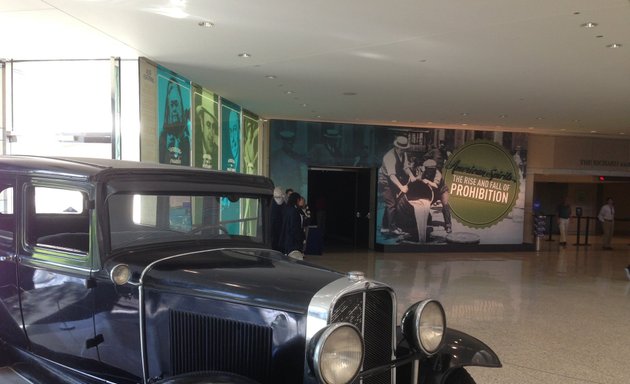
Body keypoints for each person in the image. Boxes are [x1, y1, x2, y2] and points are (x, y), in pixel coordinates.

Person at [378, 136, 416, 236]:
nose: (404, 151)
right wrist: (401, 187)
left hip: (392, 179)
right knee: (391, 204)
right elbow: (391, 175)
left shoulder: (403, 154)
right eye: (402, 149)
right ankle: (392, 228)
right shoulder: (389, 157)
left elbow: (405, 167)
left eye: (405, 149)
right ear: (397, 147)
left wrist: (411, 175)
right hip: (384, 180)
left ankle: (385, 226)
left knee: (391, 203)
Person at [159, 77, 191, 166]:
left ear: (181, 106)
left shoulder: (186, 138)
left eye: (176, 104)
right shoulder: (163, 137)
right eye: (171, 105)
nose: (174, 109)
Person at [417, 158, 452, 233]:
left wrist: (427, 181)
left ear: (433, 169)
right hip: (433, 192)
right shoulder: (424, 172)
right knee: (425, 204)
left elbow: (435, 185)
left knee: (445, 205)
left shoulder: (437, 173)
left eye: (429, 169)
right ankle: (428, 220)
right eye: (426, 168)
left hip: (442, 190)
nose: (427, 170)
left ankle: (448, 225)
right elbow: (419, 179)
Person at [279, 192, 306, 257]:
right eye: (299, 200)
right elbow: (295, 228)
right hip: (293, 242)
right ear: (297, 200)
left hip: (286, 240)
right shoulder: (294, 211)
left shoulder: (287, 209)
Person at [195, 104, 218, 169]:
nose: (211, 133)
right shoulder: (195, 149)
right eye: (208, 125)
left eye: (213, 127)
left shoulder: (217, 153)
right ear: (202, 125)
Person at [270, 187, 286, 252]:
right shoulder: (272, 204)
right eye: (277, 197)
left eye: (279, 197)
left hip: (279, 229)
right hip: (275, 229)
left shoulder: (272, 204)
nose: (278, 199)